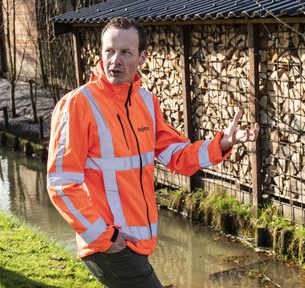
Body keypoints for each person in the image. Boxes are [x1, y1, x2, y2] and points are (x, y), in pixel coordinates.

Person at [46, 17, 259, 288]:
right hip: (109, 245)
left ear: (142, 57)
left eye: (125, 52)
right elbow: (62, 185)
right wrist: (106, 239)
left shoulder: (146, 102)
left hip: (135, 243)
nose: (115, 60)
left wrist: (224, 143)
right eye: (109, 51)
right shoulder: (78, 104)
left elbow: (177, 156)